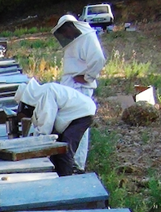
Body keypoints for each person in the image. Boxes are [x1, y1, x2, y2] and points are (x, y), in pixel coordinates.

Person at [52, 14, 106, 172]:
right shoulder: (75, 41)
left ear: (71, 27)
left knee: (79, 127)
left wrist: (87, 77)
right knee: (70, 126)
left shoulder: (88, 37)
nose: (65, 35)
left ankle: (77, 164)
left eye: (65, 31)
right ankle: (69, 160)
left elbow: (99, 59)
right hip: (71, 87)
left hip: (80, 89)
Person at [14, 79, 96, 177]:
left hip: (83, 112)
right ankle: (58, 175)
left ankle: (66, 179)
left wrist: (38, 140)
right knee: (58, 147)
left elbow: (47, 121)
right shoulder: (43, 93)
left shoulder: (47, 93)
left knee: (65, 147)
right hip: (76, 113)